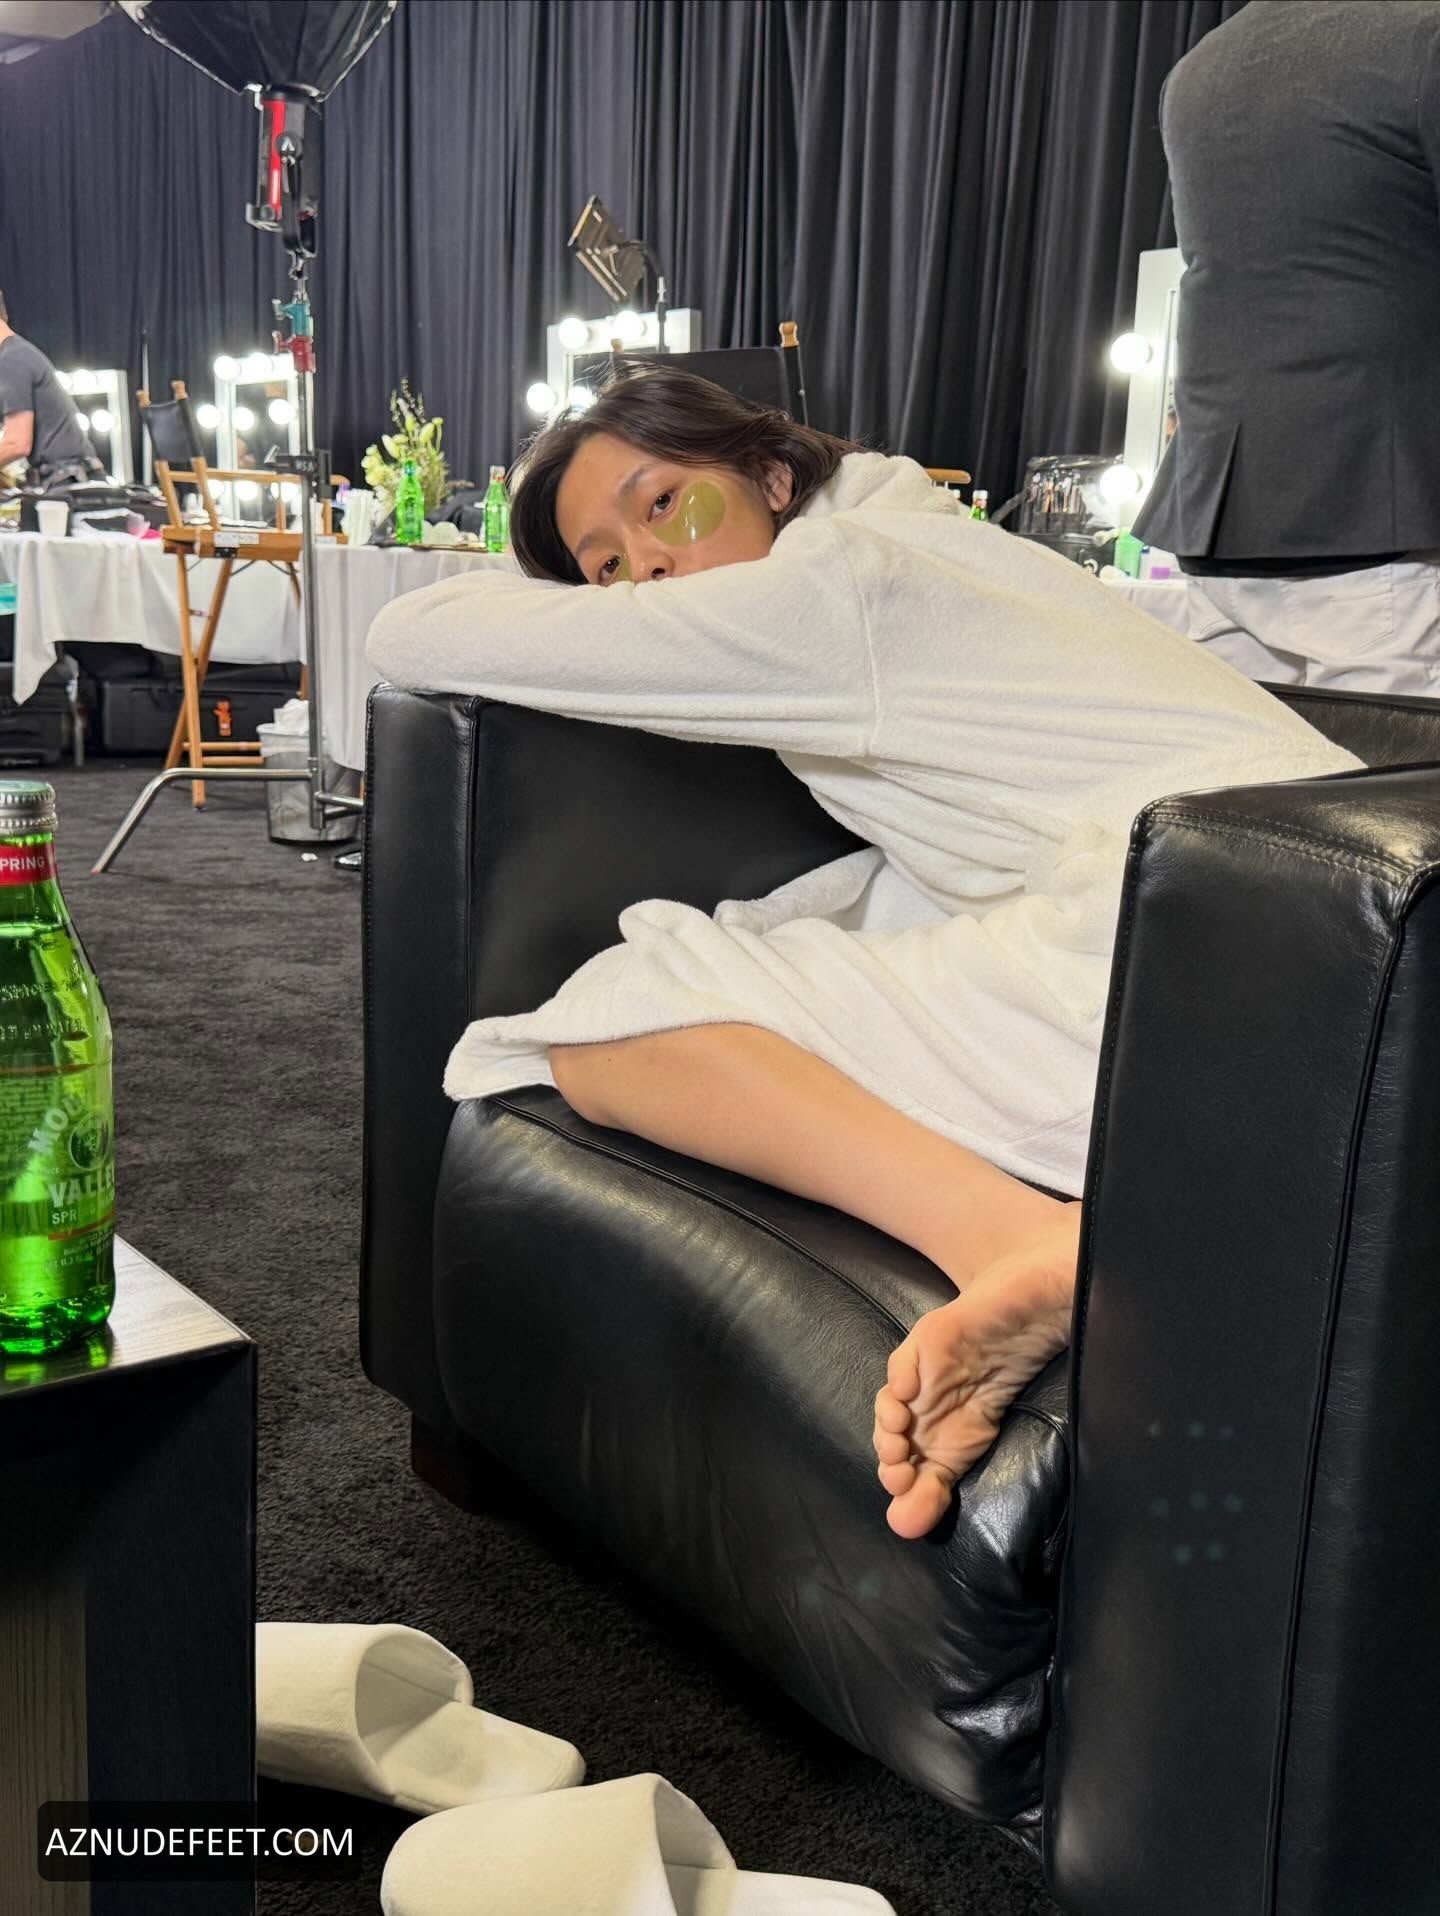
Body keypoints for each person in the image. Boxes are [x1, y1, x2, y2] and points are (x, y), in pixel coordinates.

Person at [367, 362, 1358, 1541]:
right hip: (1326, 950)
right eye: (608, 568)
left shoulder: (824, 591)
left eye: (664, 503)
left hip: (1188, 966)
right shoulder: (914, 545)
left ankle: (1023, 1241)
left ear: (772, 475)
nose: (650, 568)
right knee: (754, 946)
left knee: (609, 1013)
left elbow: (406, 627)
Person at [1133, 1, 1440, 697]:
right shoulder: (1425, 38)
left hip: (1223, 514)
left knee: (1243, 764)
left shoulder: (1200, 65)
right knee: (1391, 767)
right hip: (1379, 515)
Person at [0, 291, 102, 491]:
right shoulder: (17, 353)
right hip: (67, 479)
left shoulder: (11, 360)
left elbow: (17, 444)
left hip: (69, 484)